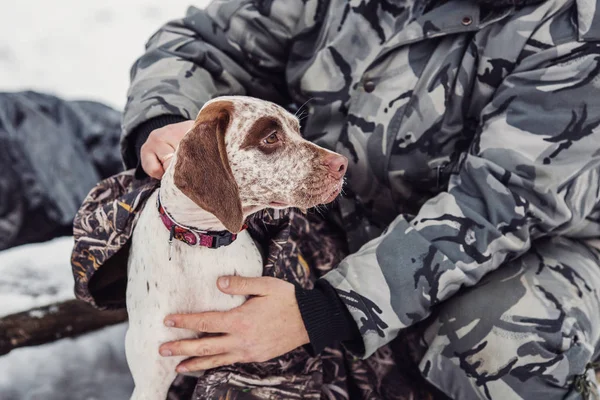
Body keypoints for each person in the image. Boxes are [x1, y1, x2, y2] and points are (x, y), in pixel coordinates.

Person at [117, 0, 600, 398]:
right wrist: (163, 124)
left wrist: (330, 309)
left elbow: (497, 204)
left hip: (533, 239)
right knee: (123, 209)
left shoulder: (574, 31)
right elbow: (204, 44)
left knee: (498, 336)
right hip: (335, 205)